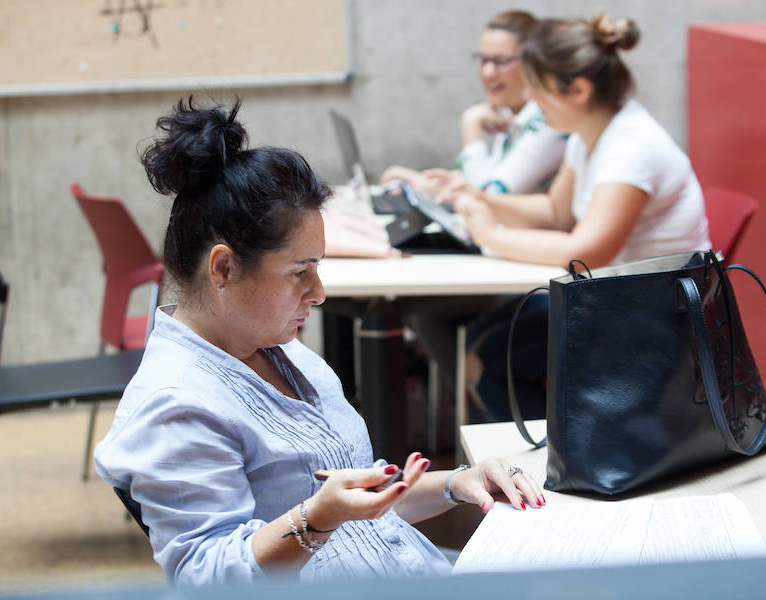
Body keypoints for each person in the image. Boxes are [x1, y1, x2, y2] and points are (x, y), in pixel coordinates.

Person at [93, 98, 544, 586]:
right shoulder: (174, 404)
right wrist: (316, 520)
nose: (319, 292)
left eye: (318, 267)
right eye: (299, 272)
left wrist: (458, 483)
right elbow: (207, 579)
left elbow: (359, 507)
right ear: (223, 268)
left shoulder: (276, 347)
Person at [447, 14, 711, 421]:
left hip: (658, 317)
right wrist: (480, 197)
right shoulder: (590, 132)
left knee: (497, 363)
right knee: (488, 343)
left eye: (537, 88)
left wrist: (488, 232)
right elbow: (555, 211)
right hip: (618, 300)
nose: (531, 100)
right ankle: (545, 460)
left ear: (580, 90)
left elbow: (587, 251)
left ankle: (553, 463)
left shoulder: (631, 147)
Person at [379, 10, 566, 197]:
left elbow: (489, 195)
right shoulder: (511, 117)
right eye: (482, 60)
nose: (488, 72)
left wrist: (470, 124)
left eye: (501, 61)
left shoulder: (548, 119)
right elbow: (480, 189)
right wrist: (425, 186)